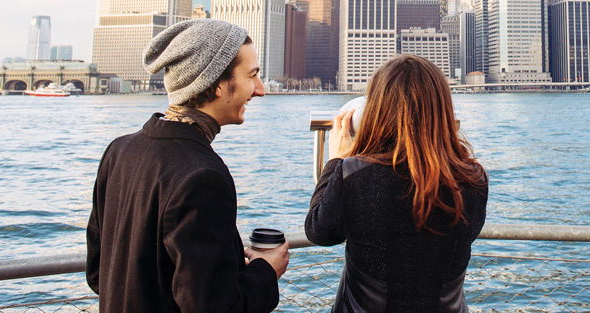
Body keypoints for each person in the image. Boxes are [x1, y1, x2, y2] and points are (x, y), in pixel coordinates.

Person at [86, 19, 289, 313]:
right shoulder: (202, 176)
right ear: (217, 85)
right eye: (252, 75)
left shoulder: (119, 150)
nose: (259, 90)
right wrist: (266, 271)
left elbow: (98, 274)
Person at [306, 54, 488, 313]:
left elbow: (319, 231)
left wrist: (336, 160)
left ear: (378, 109)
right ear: (442, 111)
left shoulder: (355, 175)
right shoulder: (473, 180)